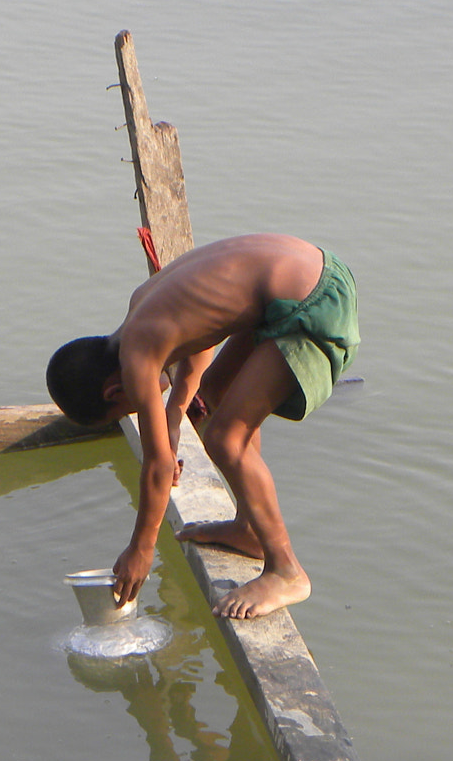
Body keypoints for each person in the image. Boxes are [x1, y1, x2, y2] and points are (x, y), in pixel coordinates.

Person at [47, 234, 359, 620]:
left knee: (225, 439)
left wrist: (141, 550)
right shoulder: (140, 307)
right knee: (212, 397)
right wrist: (175, 413)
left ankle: (286, 571)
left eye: (123, 412)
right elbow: (201, 344)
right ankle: (248, 528)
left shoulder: (137, 355)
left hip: (313, 302)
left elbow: (158, 467)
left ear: (114, 391)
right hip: (308, 272)